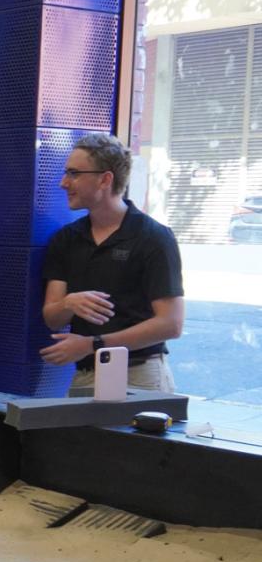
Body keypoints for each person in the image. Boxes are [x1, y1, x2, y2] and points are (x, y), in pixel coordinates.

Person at [41, 133, 184, 393]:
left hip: (140, 375)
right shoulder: (66, 239)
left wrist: (93, 344)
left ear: (105, 179)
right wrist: (68, 303)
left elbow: (171, 324)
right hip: (86, 374)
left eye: (74, 174)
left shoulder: (153, 237)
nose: (64, 183)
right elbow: (51, 317)